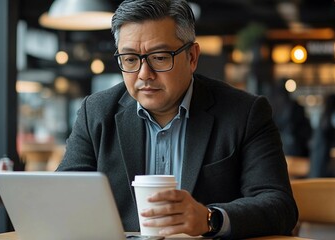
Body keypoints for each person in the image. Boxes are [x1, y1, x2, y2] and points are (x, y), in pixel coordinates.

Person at [56, 0, 298, 238]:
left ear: (192, 57)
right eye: (130, 59)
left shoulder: (245, 112)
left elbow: (279, 206)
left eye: (160, 58)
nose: (144, 74)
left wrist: (209, 218)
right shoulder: (96, 112)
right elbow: (60, 196)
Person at [270, 80, 312, 157]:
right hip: (282, 147)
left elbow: (305, 127)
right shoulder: (275, 109)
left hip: (296, 147)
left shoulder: (296, 107)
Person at [309, 93, 335, 178]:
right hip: (323, 151)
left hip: (318, 150)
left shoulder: (322, 115)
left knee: (318, 173)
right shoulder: (333, 116)